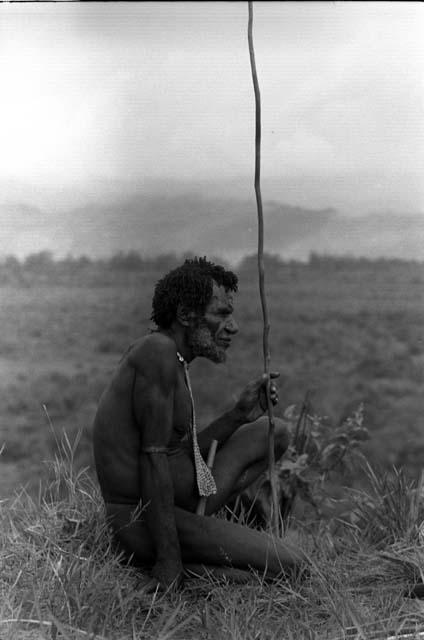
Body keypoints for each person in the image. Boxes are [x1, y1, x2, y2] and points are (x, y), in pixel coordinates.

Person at [93, 257, 304, 589]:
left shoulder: (175, 359)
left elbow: (179, 453)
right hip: (139, 519)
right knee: (293, 567)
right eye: (221, 314)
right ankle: (191, 567)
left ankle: (225, 542)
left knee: (272, 432)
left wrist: (238, 416)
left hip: (183, 501)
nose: (233, 326)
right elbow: (153, 460)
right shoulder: (157, 353)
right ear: (185, 314)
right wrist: (168, 562)